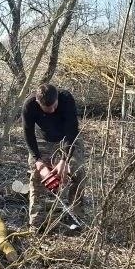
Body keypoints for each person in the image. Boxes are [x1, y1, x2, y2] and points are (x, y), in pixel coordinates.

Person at [22, 83, 87, 230]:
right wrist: (38, 160)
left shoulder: (66, 99)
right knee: (37, 176)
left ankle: (76, 217)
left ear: (57, 97)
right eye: (47, 109)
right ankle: (37, 223)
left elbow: (72, 131)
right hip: (42, 139)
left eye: (54, 106)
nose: (52, 110)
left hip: (67, 138)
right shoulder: (29, 105)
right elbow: (28, 134)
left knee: (78, 171)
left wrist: (64, 160)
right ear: (38, 103)